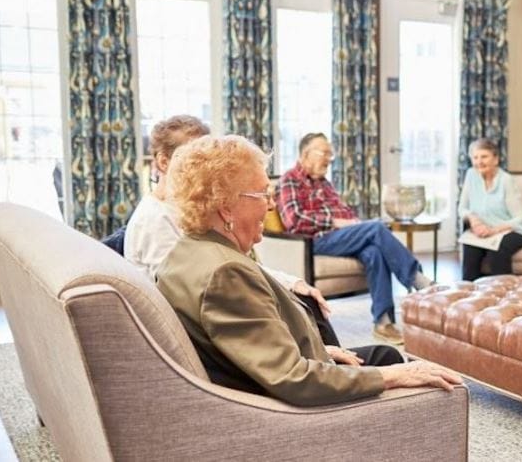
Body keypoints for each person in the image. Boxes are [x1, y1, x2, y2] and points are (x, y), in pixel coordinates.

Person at [156, 135, 461, 406]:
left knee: (386, 349)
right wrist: (390, 377)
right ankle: (418, 283)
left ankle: (386, 315)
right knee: (399, 368)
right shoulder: (227, 274)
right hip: (291, 409)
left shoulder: (185, 252)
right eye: (263, 194)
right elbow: (293, 379)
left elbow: (253, 348)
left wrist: (322, 351)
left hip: (270, 379)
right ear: (225, 206)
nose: (271, 206)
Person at [124, 116, 338, 346]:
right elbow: (191, 294)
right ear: (163, 162)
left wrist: (290, 282)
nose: (206, 163)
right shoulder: (155, 220)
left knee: (304, 300)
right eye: (193, 156)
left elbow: (233, 265)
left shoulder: (188, 210)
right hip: (198, 335)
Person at [278, 133, 433, 345]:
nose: (329, 159)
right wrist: (335, 222)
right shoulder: (289, 180)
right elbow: (294, 220)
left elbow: (346, 212)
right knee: (376, 228)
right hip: (313, 241)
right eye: (324, 153)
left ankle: (383, 322)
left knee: (374, 252)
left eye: (330, 154)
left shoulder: (324, 183)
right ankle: (418, 280)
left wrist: (353, 224)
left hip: (340, 237)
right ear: (305, 154)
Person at [457, 138, 522, 281]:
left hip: (516, 229)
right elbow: (462, 208)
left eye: (484, 157)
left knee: (497, 251)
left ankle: (504, 290)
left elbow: (521, 218)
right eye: (475, 157)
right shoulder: (471, 175)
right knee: (470, 248)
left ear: (496, 159)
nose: (479, 162)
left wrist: (494, 230)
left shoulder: (506, 180)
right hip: (484, 229)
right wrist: (473, 220)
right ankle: (470, 291)